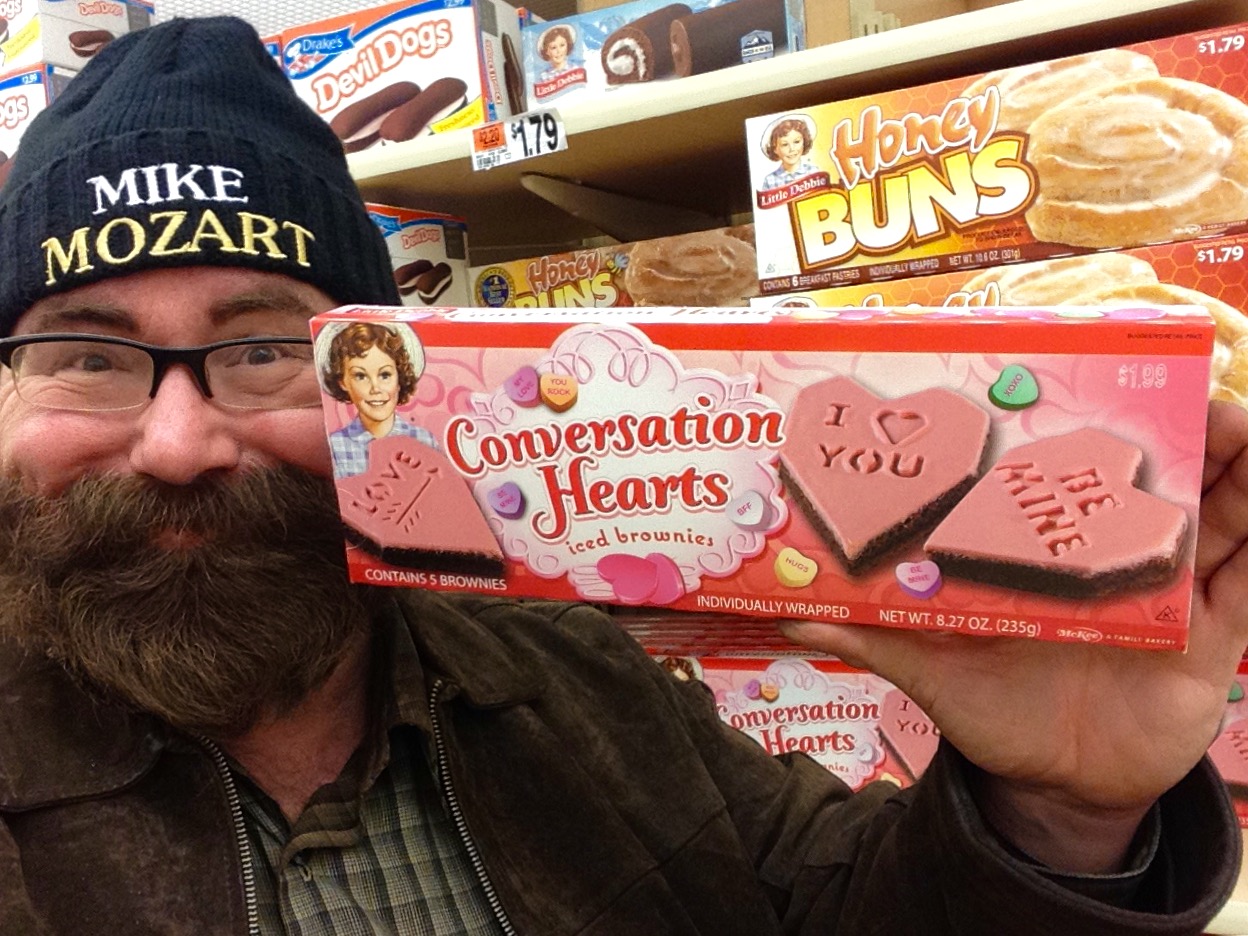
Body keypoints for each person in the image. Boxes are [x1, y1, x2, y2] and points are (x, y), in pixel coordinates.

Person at [0, 16, 1241, 935]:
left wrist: (1059, 813)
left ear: (387, 375)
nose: (178, 444)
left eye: (266, 348)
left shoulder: (569, 668)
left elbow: (836, 908)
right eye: (84, 357)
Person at [320, 321, 438, 478]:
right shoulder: (336, 446)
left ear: (399, 377)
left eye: (385, 375)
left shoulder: (423, 439)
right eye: (360, 376)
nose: (375, 388)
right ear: (343, 382)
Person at [761, 115, 819, 190]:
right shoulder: (770, 180)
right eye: (785, 144)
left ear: (804, 142)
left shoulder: (813, 172)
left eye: (796, 142)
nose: (792, 149)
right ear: (775, 149)